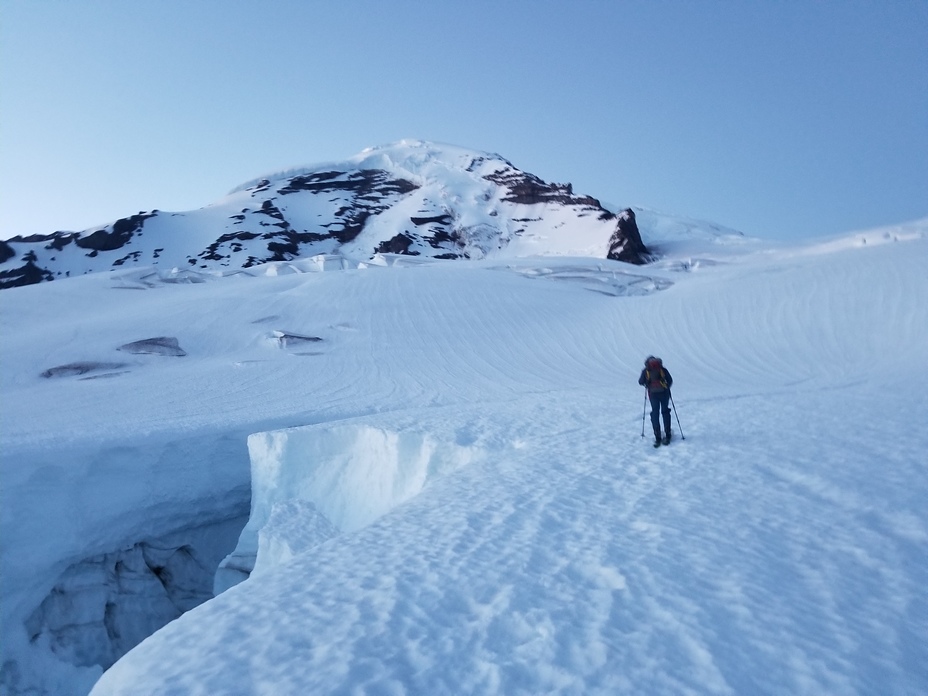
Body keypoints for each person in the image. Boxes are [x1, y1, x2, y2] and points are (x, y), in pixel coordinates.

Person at [639, 356, 673, 446]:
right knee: (665, 412)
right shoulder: (662, 369)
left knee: (655, 413)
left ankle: (657, 436)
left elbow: (640, 381)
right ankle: (668, 434)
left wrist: (647, 383)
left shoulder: (646, 370)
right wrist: (666, 386)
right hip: (664, 393)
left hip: (653, 395)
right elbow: (670, 381)